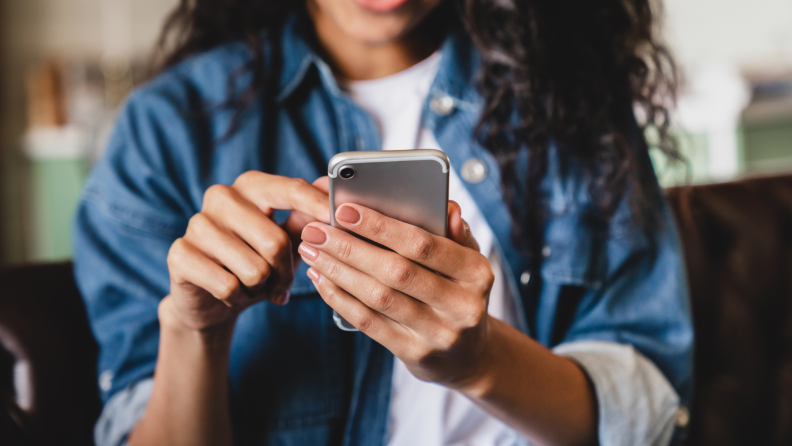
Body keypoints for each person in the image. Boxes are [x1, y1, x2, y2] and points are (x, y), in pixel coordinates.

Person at [73, 0, 693, 445]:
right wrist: (193, 330)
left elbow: (648, 414)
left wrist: (480, 364)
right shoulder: (168, 130)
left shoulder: (571, 95)